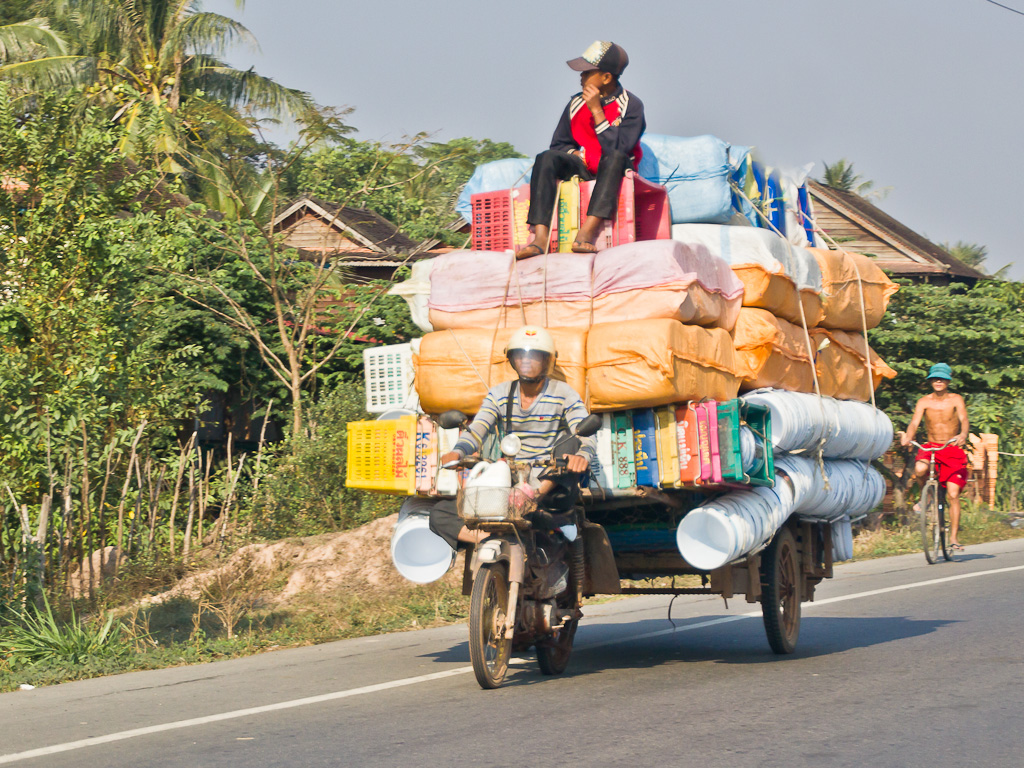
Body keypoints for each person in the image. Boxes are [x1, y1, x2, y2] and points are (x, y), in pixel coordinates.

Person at [428, 326, 596, 549]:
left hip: (549, 486)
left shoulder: (563, 393)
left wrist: (582, 455)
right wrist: (458, 451)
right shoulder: (499, 394)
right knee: (439, 514)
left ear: (548, 361)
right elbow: (478, 428)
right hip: (510, 483)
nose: (528, 362)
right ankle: (493, 542)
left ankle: (531, 501)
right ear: (513, 360)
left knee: (570, 441)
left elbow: (585, 432)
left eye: (536, 357)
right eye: (521, 356)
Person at [514, 41, 646, 260]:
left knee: (614, 157)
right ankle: (539, 238)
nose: (581, 77)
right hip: (584, 168)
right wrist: (574, 154)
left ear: (606, 78)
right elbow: (559, 145)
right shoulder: (575, 103)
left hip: (616, 170)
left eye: (587, 72)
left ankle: (586, 233)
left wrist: (596, 110)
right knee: (545, 158)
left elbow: (618, 148)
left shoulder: (631, 105)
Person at [900, 363, 970, 550]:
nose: (938, 381)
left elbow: (964, 419)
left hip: (951, 447)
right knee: (920, 469)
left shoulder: (956, 399)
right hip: (931, 446)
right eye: (935, 378)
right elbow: (915, 422)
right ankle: (928, 497)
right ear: (930, 381)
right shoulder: (924, 401)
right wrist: (908, 436)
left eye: (942, 378)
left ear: (948, 381)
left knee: (953, 494)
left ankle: (954, 538)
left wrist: (963, 434)